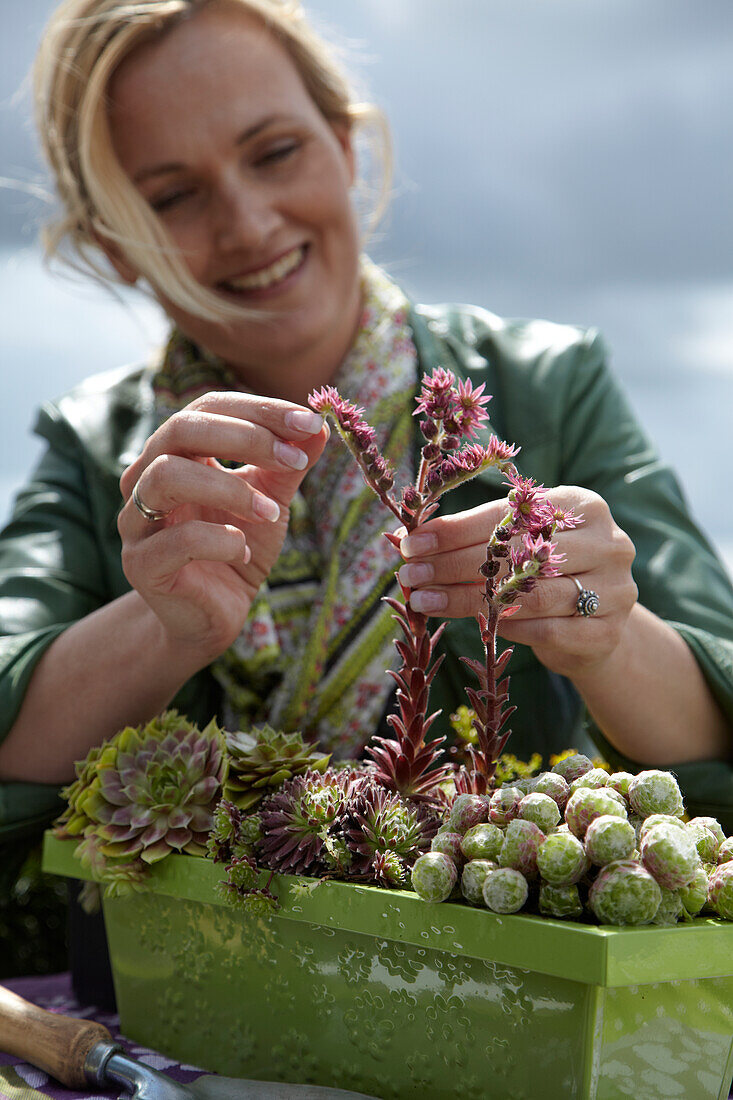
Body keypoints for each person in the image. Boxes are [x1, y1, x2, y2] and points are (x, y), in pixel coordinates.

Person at [1, 0, 732, 870]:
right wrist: (168, 629)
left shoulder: (546, 389)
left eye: (274, 152)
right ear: (114, 245)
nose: (248, 222)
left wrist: (607, 634)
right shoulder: (97, 449)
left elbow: (713, 720)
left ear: (345, 145)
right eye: (172, 197)